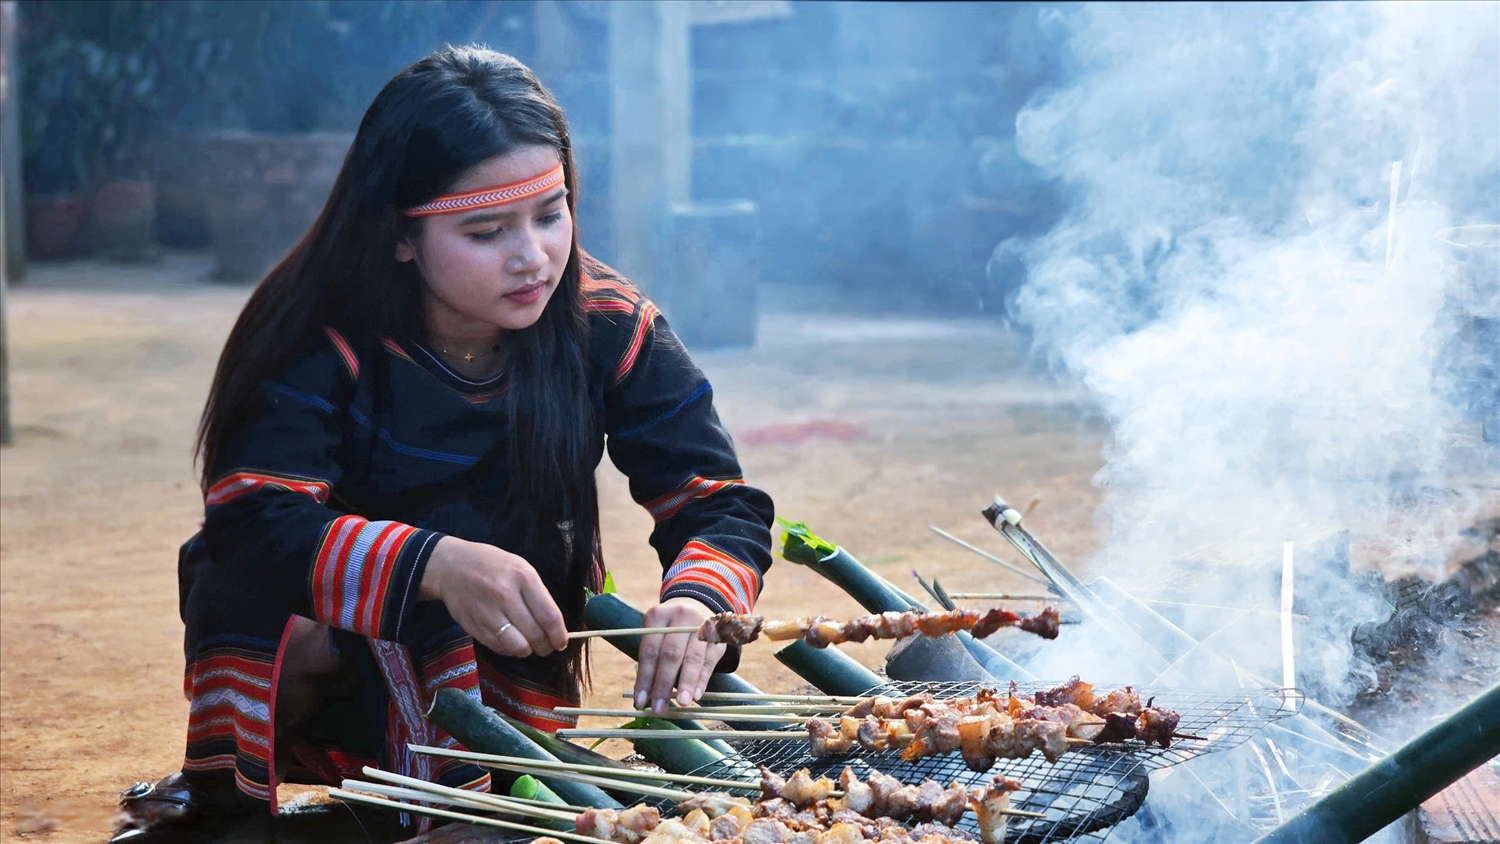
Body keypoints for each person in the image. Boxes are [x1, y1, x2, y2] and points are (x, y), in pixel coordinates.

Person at [113, 45, 774, 838]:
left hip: (503, 652)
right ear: (399, 237)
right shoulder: (316, 335)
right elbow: (253, 519)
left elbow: (718, 502)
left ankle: (421, 801)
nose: (533, 256)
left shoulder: (608, 323)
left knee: (481, 800)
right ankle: (241, 809)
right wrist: (436, 564)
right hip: (338, 646)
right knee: (237, 579)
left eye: (550, 213)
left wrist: (700, 600)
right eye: (486, 230)